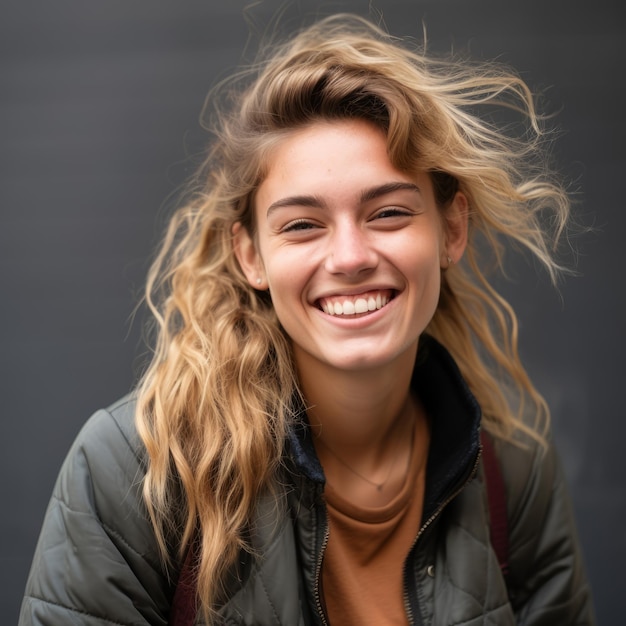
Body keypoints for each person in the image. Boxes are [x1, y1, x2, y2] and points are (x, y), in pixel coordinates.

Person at [19, 13, 595, 626]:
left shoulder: (512, 472)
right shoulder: (138, 475)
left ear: (451, 229)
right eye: (302, 225)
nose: (349, 257)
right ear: (251, 255)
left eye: (389, 213)